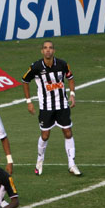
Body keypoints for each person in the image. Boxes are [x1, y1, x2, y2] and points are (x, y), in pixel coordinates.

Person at [22, 40, 81, 177]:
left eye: (50, 48)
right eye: (45, 48)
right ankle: (39, 161)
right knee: (45, 135)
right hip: (46, 107)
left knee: (68, 133)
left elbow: (70, 78)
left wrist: (72, 94)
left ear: (54, 50)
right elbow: (25, 81)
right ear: (42, 51)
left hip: (62, 105)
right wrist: (29, 101)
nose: (48, 50)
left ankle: (71, 164)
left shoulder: (62, 64)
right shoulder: (36, 66)